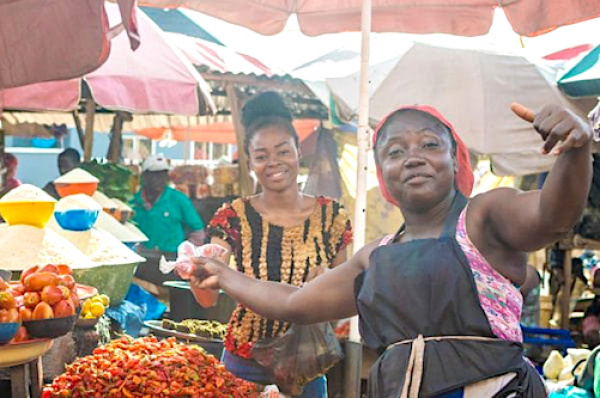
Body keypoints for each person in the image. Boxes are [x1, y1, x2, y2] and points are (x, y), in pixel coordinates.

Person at [193, 102, 593, 397]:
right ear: (382, 174)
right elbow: (295, 303)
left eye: (430, 145)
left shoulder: (484, 215)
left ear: (456, 161)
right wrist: (223, 275)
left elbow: (553, 215)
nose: (413, 158)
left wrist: (574, 151)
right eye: (395, 152)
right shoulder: (376, 256)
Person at [188, 92, 352, 397]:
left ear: (297, 153)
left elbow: (345, 299)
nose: (274, 163)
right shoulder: (232, 216)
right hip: (243, 362)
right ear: (250, 162)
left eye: (283, 151)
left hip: (305, 363)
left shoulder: (332, 217)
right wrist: (197, 275)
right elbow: (208, 299)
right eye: (262, 156)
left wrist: (325, 286)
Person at [132, 154, 205, 253]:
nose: (158, 179)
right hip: (141, 258)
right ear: (144, 176)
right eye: (154, 175)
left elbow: (198, 231)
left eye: (162, 175)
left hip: (172, 259)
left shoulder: (179, 199)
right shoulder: (134, 201)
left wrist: (185, 253)